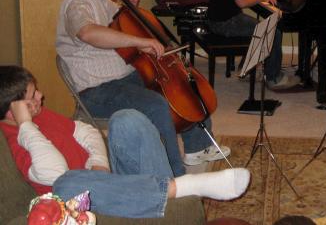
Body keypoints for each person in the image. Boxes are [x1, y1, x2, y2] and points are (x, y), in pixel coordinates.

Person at [56, 0, 229, 176]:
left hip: (125, 76)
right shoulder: (76, 2)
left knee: (180, 83)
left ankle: (197, 147)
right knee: (157, 105)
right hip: (97, 89)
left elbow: (120, 24)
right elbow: (88, 32)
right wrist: (140, 41)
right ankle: (173, 176)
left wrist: (128, 9)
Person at [0, 65, 250, 218]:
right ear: (14, 110)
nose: (41, 97)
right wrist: (26, 126)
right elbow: (55, 174)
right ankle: (182, 188)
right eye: (33, 96)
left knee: (126, 118)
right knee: (67, 184)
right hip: (88, 202)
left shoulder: (43, 114)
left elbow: (86, 132)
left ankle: (168, 195)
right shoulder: (16, 139)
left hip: (111, 182)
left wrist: (100, 163)